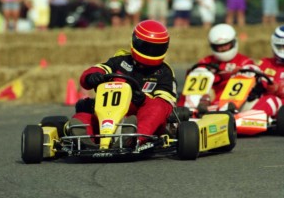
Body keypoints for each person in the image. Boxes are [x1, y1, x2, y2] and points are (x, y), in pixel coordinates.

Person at [68, 19, 177, 149]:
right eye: (146, 47)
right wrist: (92, 76)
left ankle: (133, 137)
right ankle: (86, 140)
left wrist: (143, 99)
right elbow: (99, 69)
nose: (150, 52)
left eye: (156, 49)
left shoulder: (164, 72)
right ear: (135, 42)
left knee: (157, 107)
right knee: (83, 116)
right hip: (110, 114)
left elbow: (166, 105)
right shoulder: (120, 61)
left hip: (141, 116)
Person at [177, 23, 255, 108]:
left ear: (233, 42)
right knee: (199, 72)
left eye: (226, 45)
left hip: (232, 102)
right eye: (219, 46)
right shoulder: (206, 61)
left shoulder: (245, 61)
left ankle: (228, 108)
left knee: (245, 74)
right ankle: (188, 108)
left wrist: (235, 74)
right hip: (207, 100)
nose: (223, 48)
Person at [248, 25, 284, 117]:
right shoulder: (265, 63)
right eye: (282, 47)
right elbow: (252, 70)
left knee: (272, 100)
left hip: (278, 106)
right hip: (262, 105)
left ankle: (248, 120)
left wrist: (279, 89)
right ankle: (227, 113)